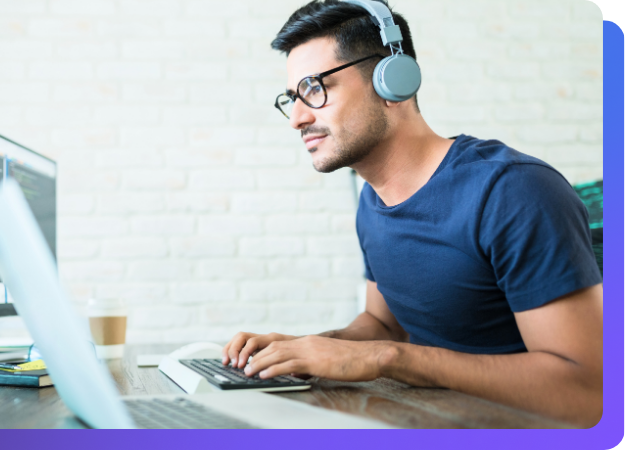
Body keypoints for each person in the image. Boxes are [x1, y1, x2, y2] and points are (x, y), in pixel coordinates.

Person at [222, 0, 603, 427]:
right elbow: (383, 326)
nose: (297, 118)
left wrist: (388, 359)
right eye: (292, 98)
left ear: (393, 82)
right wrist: (303, 350)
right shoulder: (372, 201)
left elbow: (588, 394)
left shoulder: (514, 191)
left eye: (314, 88)